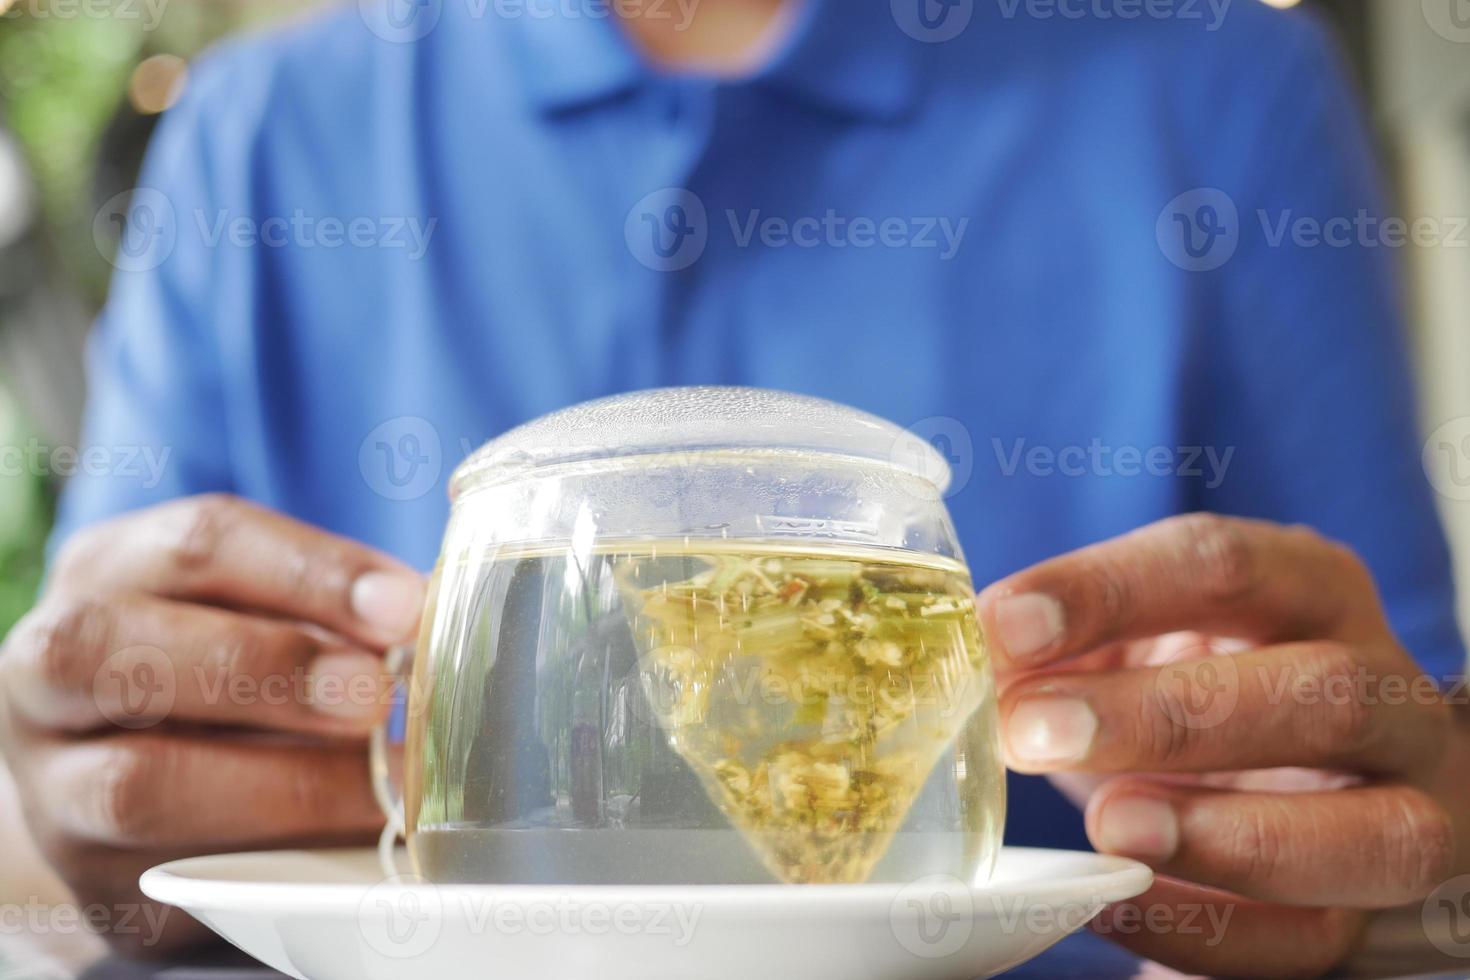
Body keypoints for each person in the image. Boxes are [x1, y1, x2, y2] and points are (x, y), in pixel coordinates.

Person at [1, 0, 1466, 973]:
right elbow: (78, 787)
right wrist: (73, 824)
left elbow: (1406, 757)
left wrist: (1372, 829)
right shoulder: (259, 130)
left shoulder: (1217, 81)